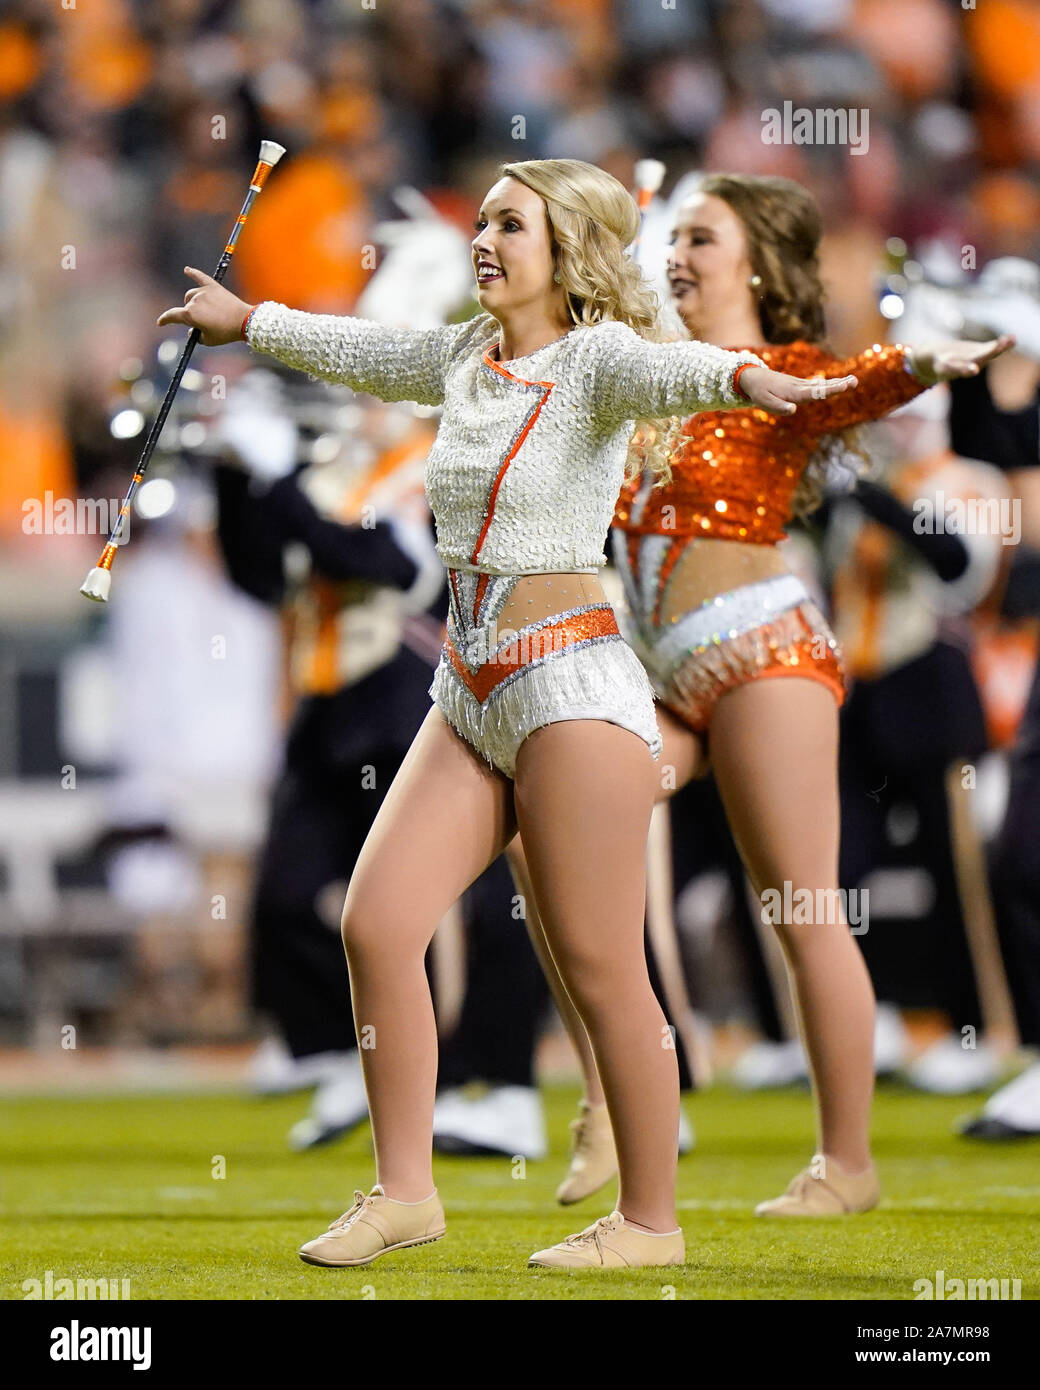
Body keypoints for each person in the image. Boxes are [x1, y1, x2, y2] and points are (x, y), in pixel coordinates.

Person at [157, 157, 855, 1271]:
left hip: (570, 687)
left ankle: (649, 1223)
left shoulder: (597, 360)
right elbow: (361, 352)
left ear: (565, 251)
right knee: (377, 924)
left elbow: (680, 369)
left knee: (597, 965)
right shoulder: (462, 356)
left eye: (508, 224)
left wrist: (752, 379)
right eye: (478, 218)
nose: (482, 237)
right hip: (468, 686)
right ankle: (403, 1192)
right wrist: (251, 322)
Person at [517, 172, 1012, 1219]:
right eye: (674, 237)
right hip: (655, 674)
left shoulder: (780, 372)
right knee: (540, 828)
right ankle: (613, 1094)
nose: (677, 255)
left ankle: (846, 1164)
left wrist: (920, 362)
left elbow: (848, 392)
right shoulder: (644, 373)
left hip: (760, 659)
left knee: (800, 908)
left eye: (701, 237)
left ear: (752, 263)